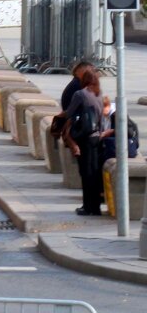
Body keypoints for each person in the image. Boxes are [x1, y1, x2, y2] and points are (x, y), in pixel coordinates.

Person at [62, 67, 107, 216]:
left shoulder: (80, 94)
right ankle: (96, 207)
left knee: (86, 173)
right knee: (94, 172)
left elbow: (69, 112)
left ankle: (88, 207)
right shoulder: (99, 95)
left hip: (84, 137)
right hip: (97, 137)